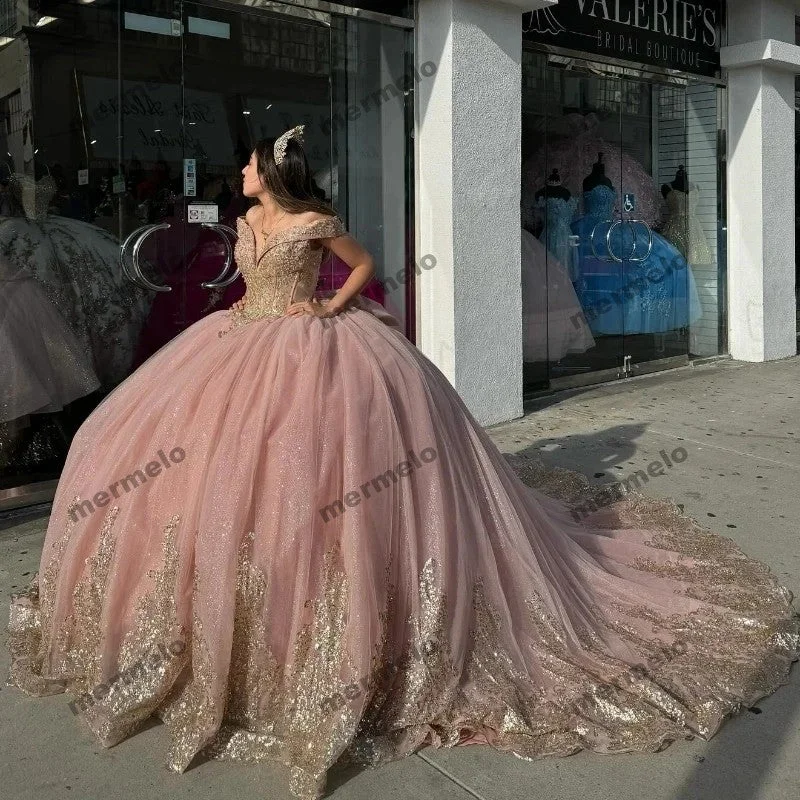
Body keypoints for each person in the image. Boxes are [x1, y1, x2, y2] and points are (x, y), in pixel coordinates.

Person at [7, 125, 799, 800]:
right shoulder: (245, 222)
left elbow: (361, 266)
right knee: (179, 462)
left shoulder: (312, 220)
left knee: (337, 474)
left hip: (319, 350)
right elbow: (244, 286)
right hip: (238, 347)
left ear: (271, 171)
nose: (240, 173)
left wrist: (331, 303)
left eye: (248, 164)